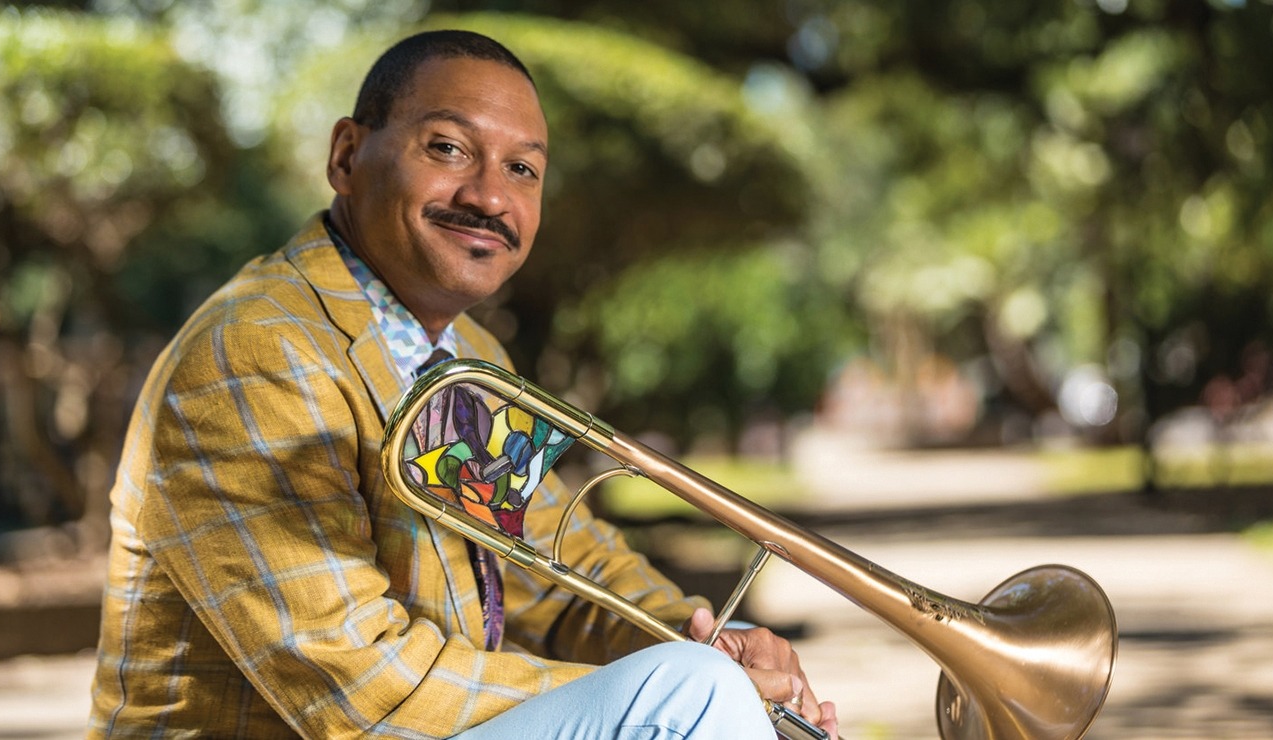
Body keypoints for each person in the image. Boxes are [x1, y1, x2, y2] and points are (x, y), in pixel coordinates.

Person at [88, 29, 839, 739]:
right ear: (347, 156)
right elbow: (362, 690)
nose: (489, 196)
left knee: (705, 678)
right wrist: (688, 682)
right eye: (448, 148)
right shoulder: (252, 353)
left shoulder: (465, 355)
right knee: (690, 695)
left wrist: (709, 638)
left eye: (523, 169)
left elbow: (562, 571)